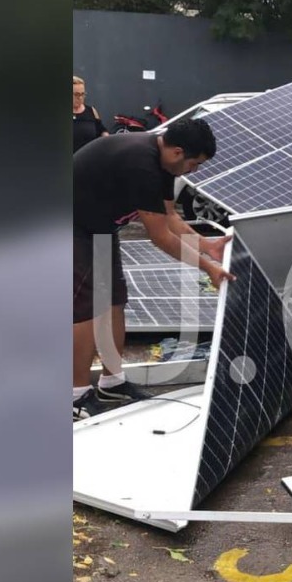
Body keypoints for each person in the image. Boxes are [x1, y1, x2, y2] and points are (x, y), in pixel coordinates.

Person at [73, 120, 231, 419]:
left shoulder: (163, 162)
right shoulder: (141, 164)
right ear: (177, 151)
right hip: (73, 228)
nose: (193, 172)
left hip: (99, 229)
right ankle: (76, 395)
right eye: (194, 164)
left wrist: (206, 245)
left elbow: (169, 216)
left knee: (113, 301)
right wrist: (208, 267)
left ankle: (111, 382)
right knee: (84, 308)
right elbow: (161, 238)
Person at [72, 76, 107, 154]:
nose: (80, 98)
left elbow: (101, 130)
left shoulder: (91, 111)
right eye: (76, 94)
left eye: (82, 94)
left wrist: (108, 140)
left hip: (88, 160)